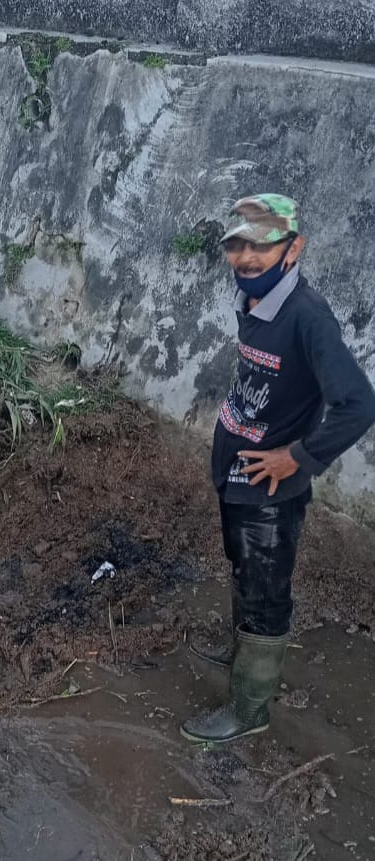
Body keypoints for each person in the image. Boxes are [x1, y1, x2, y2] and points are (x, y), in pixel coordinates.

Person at [182, 194, 375, 744]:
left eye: (261, 244)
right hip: (237, 474)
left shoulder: (308, 319)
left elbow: (359, 403)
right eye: (237, 244)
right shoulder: (256, 301)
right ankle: (241, 649)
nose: (245, 257)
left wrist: (298, 457)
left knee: (267, 592)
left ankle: (248, 711)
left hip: (271, 490)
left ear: (294, 248)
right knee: (243, 569)